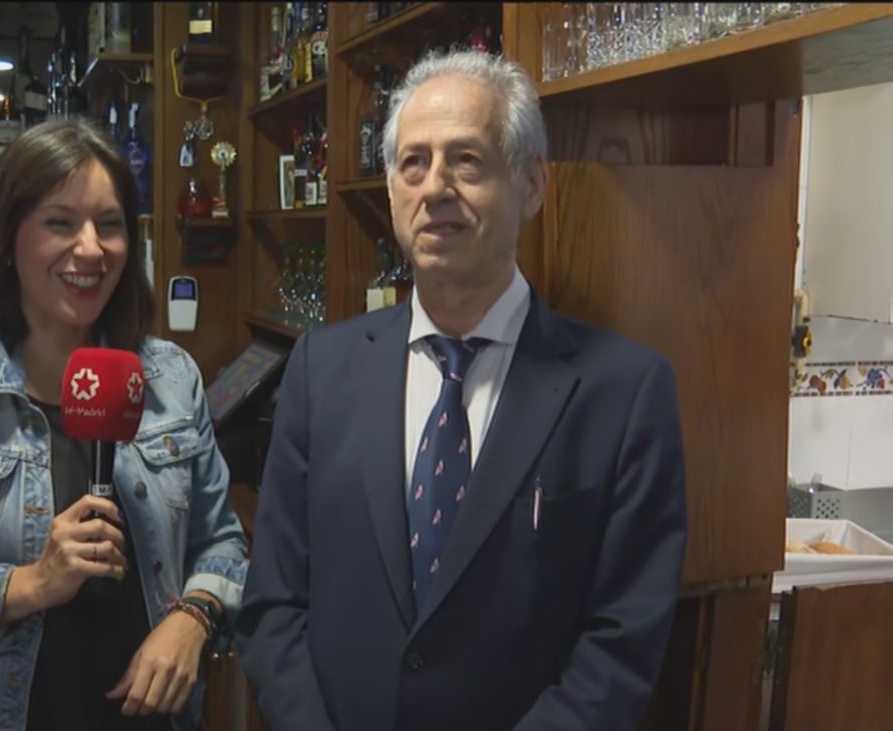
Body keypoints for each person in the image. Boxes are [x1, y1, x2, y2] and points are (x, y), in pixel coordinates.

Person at [236, 48, 687, 731]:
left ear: (532, 183)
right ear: (391, 189)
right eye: (412, 163)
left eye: (467, 160)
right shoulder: (318, 370)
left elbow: (621, 641)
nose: (435, 186)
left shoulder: (624, 393)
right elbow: (273, 603)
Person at [0, 119, 248, 731]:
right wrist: (29, 584)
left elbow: (221, 541)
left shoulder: (171, 378)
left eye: (109, 224)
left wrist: (193, 617)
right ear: (9, 238)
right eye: (60, 222)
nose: (90, 249)